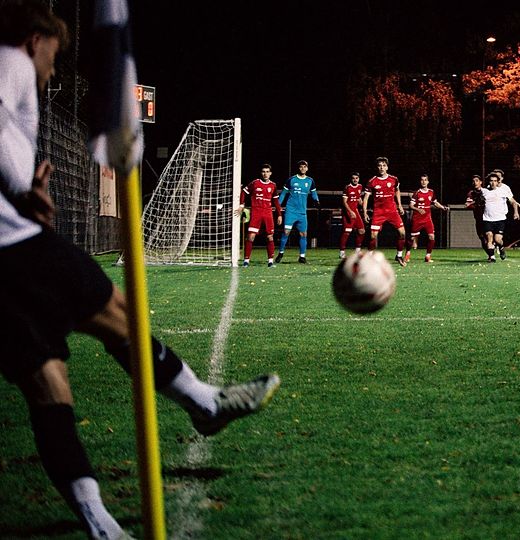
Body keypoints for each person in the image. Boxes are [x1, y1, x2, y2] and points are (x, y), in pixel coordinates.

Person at [0, 3, 280, 538]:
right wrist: (21, 190)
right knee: (117, 313)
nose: (53, 72)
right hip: (15, 242)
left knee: (47, 385)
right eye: (54, 59)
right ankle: (204, 403)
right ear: (36, 40)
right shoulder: (11, 61)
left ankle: (100, 525)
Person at [361, 156, 407, 266]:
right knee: (373, 236)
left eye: (384, 165)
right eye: (379, 166)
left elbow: (397, 191)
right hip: (379, 212)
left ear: (387, 167)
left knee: (402, 233)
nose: (382, 167)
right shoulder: (372, 181)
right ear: (377, 167)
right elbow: (366, 198)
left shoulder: (394, 179)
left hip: (392, 211)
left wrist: (400, 205)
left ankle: (399, 255)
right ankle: (370, 256)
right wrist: (365, 212)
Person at [236, 163, 283, 267]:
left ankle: (270, 261)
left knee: (270, 237)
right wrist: (241, 205)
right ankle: (246, 261)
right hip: (256, 212)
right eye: (263, 171)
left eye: (267, 172)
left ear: (270, 173)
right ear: (261, 173)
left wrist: (279, 214)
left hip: (268, 213)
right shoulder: (255, 183)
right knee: (251, 236)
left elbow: (275, 201)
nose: (265, 174)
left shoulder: (273, 185)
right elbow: (244, 192)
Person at [276, 159, 319, 264]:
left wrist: (317, 201)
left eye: (305, 167)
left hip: (302, 213)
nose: (303, 168)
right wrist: (278, 206)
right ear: (298, 168)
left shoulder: (310, 181)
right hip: (290, 211)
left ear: (307, 168)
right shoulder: (291, 180)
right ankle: (281, 253)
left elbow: (314, 194)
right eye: (301, 167)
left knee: (303, 234)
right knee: (286, 232)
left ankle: (302, 257)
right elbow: (283, 194)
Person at [404, 173, 448, 263]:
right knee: (412, 239)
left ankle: (428, 256)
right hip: (417, 219)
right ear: (420, 181)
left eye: (425, 180)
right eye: (422, 180)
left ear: (428, 181)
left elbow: (435, 203)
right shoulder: (417, 193)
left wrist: (443, 207)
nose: (423, 182)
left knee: (432, 237)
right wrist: (418, 209)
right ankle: (407, 253)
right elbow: (411, 205)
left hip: (427, 219)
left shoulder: (431, 192)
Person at [480, 172, 520, 262]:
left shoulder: (503, 191)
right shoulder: (484, 191)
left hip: (500, 219)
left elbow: (513, 202)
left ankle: (501, 248)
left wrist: (516, 212)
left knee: (498, 239)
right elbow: (477, 200)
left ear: (498, 182)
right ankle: (492, 257)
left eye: (495, 181)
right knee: (489, 237)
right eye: (491, 181)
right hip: (487, 219)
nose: (493, 183)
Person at [339, 172, 365, 259]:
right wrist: (350, 211)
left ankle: (358, 250)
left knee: (361, 231)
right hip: (347, 212)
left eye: (356, 178)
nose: (355, 180)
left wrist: (361, 201)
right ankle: (342, 252)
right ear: (351, 179)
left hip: (356, 211)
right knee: (347, 231)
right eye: (353, 178)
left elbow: (358, 197)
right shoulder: (347, 188)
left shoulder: (360, 187)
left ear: (359, 179)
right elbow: (344, 202)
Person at [464, 174, 487, 254]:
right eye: (473, 181)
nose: (475, 183)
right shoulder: (471, 193)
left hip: (488, 218)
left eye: (477, 181)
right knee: (481, 237)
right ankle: (489, 254)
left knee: (489, 235)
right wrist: (474, 203)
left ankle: (493, 250)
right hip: (478, 218)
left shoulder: (485, 191)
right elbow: (468, 205)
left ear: (481, 182)